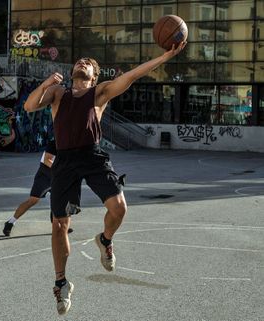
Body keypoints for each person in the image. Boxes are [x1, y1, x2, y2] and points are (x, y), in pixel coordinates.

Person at [24, 42, 187, 315]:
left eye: (88, 63)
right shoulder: (57, 93)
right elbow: (30, 106)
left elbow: (132, 75)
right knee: (59, 225)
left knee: (119, 207)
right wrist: (45, 83)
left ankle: (106, 240)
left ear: (94, 76)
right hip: (65, 161)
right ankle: (61, 283)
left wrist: (165, 56)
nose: (82, 63)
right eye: (79, 61)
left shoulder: (99, 93)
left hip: (92, 156)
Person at [2, 140, 75, 237]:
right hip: (45, 176)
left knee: (58, 201)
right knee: (32, 201)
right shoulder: (54, 143)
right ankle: (10, 222)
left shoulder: (72, 145)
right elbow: (47, 160)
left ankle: (60, 225)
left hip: (58, 178)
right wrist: (61, 169)